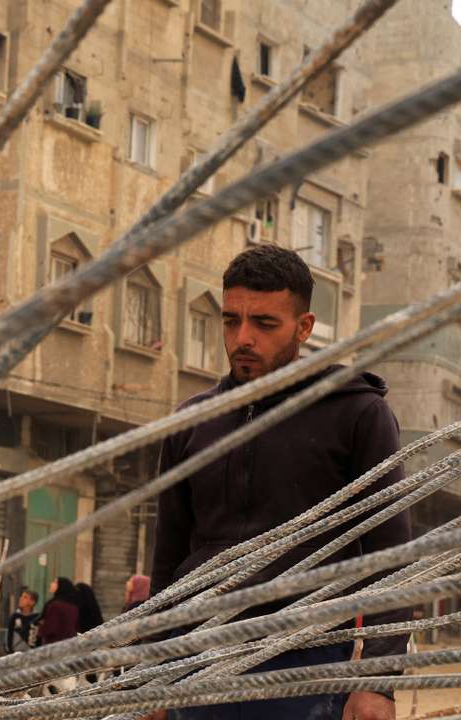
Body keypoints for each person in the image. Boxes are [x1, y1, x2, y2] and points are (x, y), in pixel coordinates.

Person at [147, 245, 409, 720]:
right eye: (231, 321)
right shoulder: (191, 424)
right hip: (197, 665)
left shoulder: (357, 414)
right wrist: (148, 674)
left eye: (264, 324)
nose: (242, 338)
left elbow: (391, 559)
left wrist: (378, 682)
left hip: (305, 668)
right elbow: (167, 562)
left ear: (303, 328)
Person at [36, 577, 79, 646]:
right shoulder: (73, 607)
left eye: (55, 582)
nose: (51, 584)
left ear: (61, 586)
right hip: (70, 643)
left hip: (54, 644)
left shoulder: (55, 606)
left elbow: (50, 628)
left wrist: (41, 627)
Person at [6, 587, 40, 653]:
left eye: (25, 597)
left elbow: (37, 637)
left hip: (31, 653)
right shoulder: (15, 616)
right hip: (16, 653)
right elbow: (9, 635)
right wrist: (10, 651)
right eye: (21, 596)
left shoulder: (36, 617)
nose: (21, 599)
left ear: (32, 602)